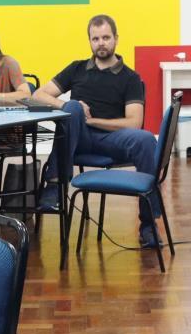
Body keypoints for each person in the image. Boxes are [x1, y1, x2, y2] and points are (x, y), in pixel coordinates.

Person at [33, 14, 164, 248]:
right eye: (96, 39)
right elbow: (38, 95)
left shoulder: (130, 78)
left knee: (145, 140)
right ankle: (54, 183)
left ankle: (148, 225)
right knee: (72, 107)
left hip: (112, 138)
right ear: (90, 41)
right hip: (78, 137)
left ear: (116, 38)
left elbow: (134, 122)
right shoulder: (77, 68)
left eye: (106, 37)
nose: (101, 43)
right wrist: (68, 107)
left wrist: (94, 121)